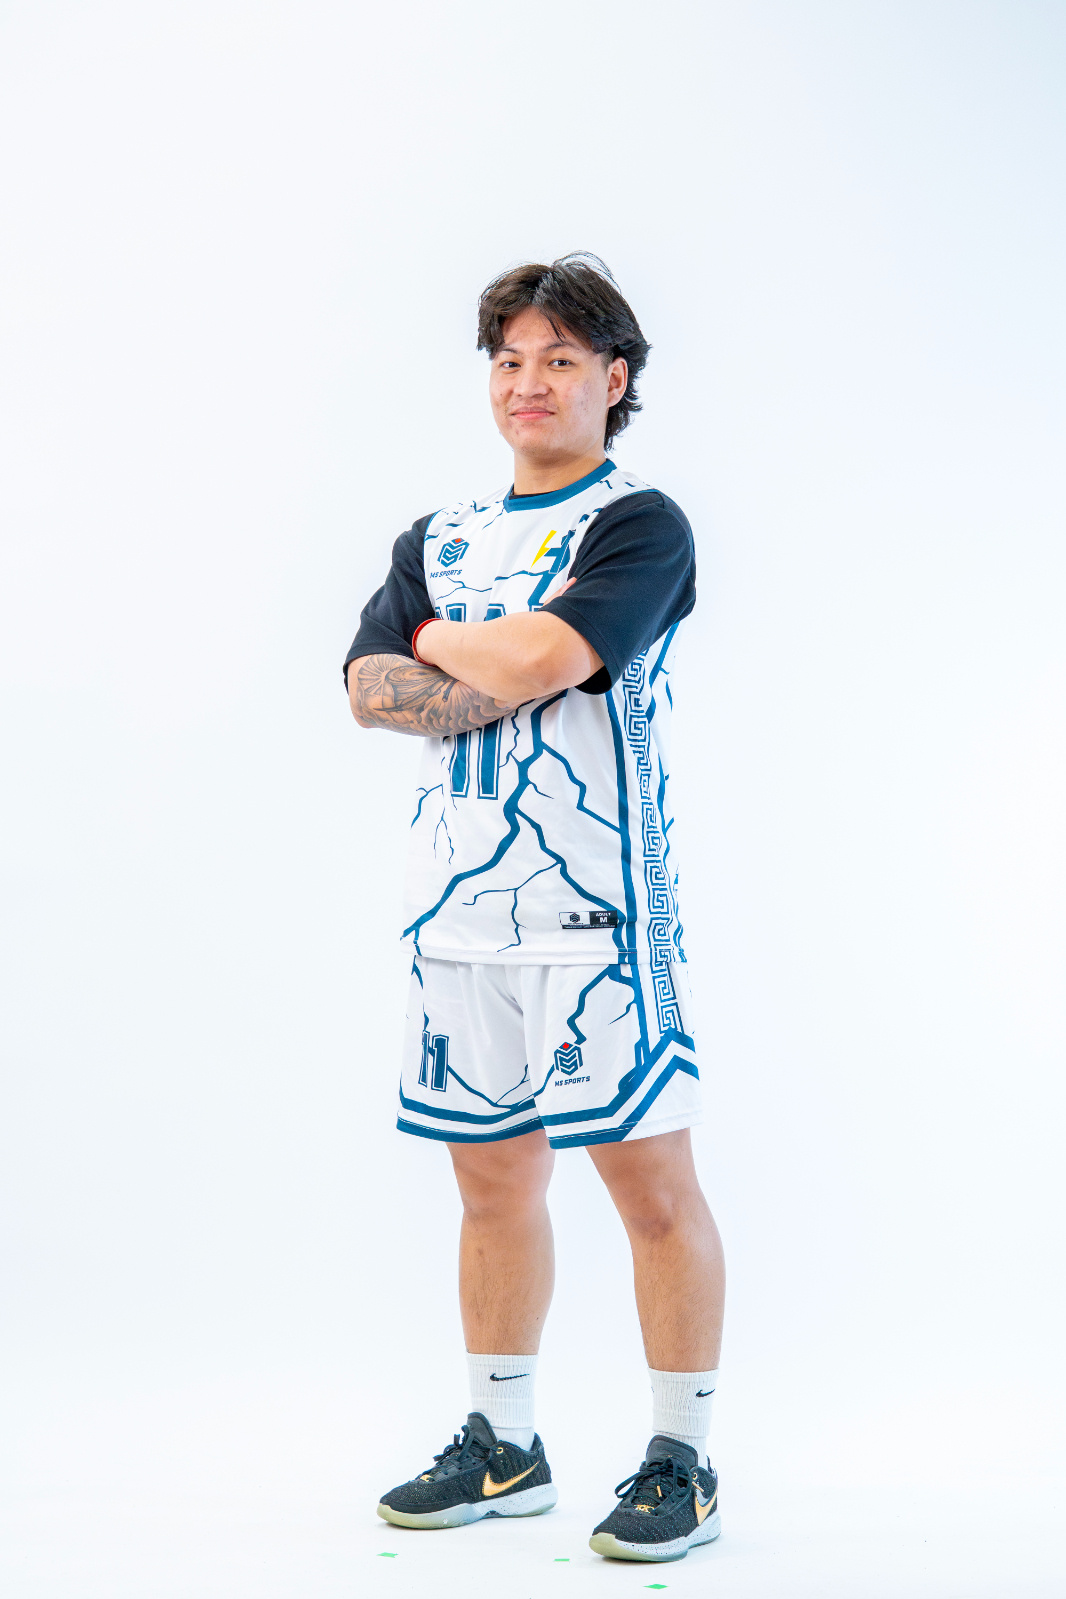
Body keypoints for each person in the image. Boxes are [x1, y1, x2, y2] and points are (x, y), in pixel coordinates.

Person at [343, 254, 725, 1564]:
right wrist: (477, 659)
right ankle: (504, 1444)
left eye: (560, 359)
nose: (528, 382)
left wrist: (442, 644)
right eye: (508, 359)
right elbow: (364, 691)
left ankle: (681, 1457)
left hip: (597, 914)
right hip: (455, 913)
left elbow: (547, 655)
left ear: (614, 380)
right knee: (491, 1179)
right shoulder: (437, 539)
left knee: (649, 1182)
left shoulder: (639, 525)